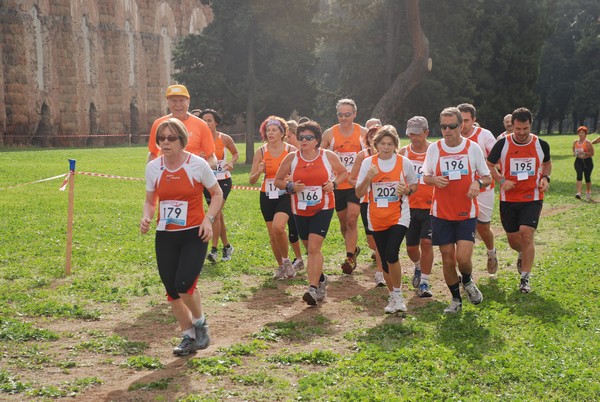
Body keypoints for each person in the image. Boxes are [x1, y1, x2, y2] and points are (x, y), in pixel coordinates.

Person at [140, 118, 223, 356]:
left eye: (170, 138)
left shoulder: (196, 164)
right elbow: (149, 200)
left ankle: (200, 323)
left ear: (182, 140)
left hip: (194, 233)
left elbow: (216, 194)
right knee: (172, 291)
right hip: (166, 234)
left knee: (185, 284)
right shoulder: (153, 167)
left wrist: (208, 219)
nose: (165, 143)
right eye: (161, 138)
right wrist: (146, 217)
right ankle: (188, 336)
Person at [423, 107, 491, 314]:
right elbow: (425, 176)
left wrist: (477, 183)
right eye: (443, 126)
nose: (447, 130)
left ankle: (468, 281)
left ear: (461, 126)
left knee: (463, 259)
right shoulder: (434, 149)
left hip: (465, 213)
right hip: (441, 213)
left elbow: (487, 177)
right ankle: (455, 300)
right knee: (447, 259)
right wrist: (434, 179)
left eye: (451, 126)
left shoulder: (472, 148)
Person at [275, 121, 348, 305]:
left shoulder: (327, 156)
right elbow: (277, 181)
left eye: (308, 137)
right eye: (300, 138)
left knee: (315, 248)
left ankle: (313, 289)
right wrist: (290, 186)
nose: (304, 140)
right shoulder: (292, 158)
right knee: (309, 248)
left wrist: (334, 184)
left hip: (323, 207)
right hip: (300, 209)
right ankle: (321, 278)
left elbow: (343, 173)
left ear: (317, 140)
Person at [486, 107, 552, 293]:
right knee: (514, 241)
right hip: (509, 199)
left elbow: (547, 164)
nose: (522, 133)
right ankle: (522, 253)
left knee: (526, 234)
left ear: (530, 125)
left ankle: (525, 279)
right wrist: (501, 180)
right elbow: (489, 164)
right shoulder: (502, 144)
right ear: (512, 127)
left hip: (532, 197)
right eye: (518, 129)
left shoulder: (541, 144)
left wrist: (545, 178)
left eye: (525, 128)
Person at [356, 125, 418, 314]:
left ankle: (398, 295)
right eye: (382, 144)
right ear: (376, 145)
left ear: (395, 145)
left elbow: (414, 185)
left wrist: (406, 190)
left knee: (392, 253)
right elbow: (358, 192)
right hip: (375, 217)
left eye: (390, 144)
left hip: (399, 215)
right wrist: (368, 178)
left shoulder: (403, 162)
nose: (386, 147)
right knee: (383, 258)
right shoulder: (368, 163)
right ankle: (393, 296)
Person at [321, 98, 368, 274]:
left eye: (347, 114)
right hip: (337, 184)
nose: (344, 118)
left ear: (355, 114)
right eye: (340, 114)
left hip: (355, 183)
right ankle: (353, 248)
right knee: (343, 222)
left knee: (352, 218)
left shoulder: (363, 133)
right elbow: (321, 155)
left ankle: (349, 257)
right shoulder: (329, 134)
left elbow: (372, 154)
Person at [249, 116, 297, 279]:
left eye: (274, 130)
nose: (270, 133)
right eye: (268, 130)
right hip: (267, 194)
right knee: (272, 234)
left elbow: (300, 171)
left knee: (279, 227)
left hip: (285, 193)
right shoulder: (261, 151)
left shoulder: (291, 150)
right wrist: (259, 171)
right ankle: (281, 266)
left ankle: (287, 261)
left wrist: (293, 178)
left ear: (282, 132)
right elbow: (251, 180)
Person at [457, 103, 499, 275]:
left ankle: (491, 253)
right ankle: (465, 269)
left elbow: (496, 158)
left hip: (484, 190)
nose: (463, 125)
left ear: (474, 120)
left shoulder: (484, 135)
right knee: (463, 229)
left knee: (482, 227)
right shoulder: (452, 137)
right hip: (461, 192)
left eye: (467, 120)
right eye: (461, 120)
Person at [399, 116, 435, 297]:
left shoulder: (435, 151)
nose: (413, 137)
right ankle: (418, 267)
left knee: (427, 242)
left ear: (426, 132)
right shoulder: (403, 153)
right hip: (409, 207)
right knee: (412, 248)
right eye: (410, 134)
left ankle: (425, 283)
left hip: (431, 207)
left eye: (417, 134)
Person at [348, 118, 385, 287]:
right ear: (368, 140)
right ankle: (379, 257)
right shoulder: (362, 156)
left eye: (378, 136)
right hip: (366, 201)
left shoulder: (393, 157)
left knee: (382, 238)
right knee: (372, 241)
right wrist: (365, 184)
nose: (374, 139)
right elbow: (351, 179)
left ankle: (381, 272)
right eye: (371, 137)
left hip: (387, 202)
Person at [198, 109, 239, 262]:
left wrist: (231, 163)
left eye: (209, 120)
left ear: (216, 122)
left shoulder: (225, 138)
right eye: (203, 120)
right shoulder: (199, 139)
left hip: (223, 180)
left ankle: (214, 250)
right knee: (217, 215)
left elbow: (235, 154)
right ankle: (227, 246)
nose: (206, 123)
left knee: (214, 215)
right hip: (207, 181)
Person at [147, 85, 216, 168]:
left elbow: (211, 157)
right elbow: (153, 153)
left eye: (181, 100)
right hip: (167, 176)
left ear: (188, 101)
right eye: (174, 101)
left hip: (193, 178)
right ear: (167, 102)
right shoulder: (159, 124)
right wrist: (152, 171)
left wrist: (201, 170)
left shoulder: (201, 125)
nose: (178, 104)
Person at [284, 119, 306, 270]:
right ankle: (298, 258)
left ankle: (312, 254)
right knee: (292, 227)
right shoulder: (288, 153)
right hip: (290, 194)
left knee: (307, 229)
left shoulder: (307, 151)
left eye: (289, 136)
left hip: (308, 196)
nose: (287, 140)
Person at [572, 126, 594, 201]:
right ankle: (579, 193)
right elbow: (573, 151)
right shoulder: (575, 142)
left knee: (587, 177)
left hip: (587, 162)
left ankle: (588, 192)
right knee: (579, 175)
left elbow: (592, 153)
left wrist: (584, 153)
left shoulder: (588, 142)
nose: (581, 134)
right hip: (578, 161)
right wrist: (575, 153)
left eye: (583, 133)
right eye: (579, 133)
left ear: (585, 134)